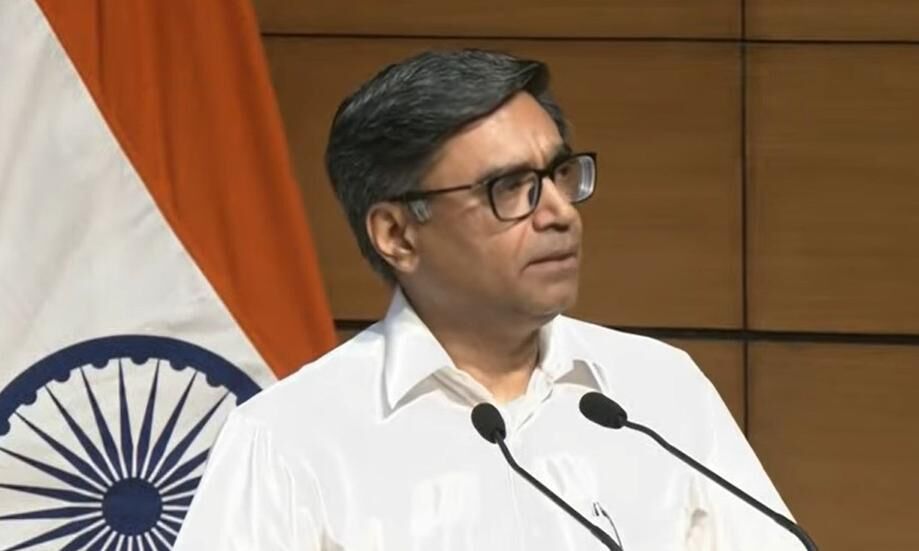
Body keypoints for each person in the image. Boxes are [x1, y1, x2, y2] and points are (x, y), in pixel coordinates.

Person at [175, 49, 801, 550]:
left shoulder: (658, 393)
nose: (559, 213)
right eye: (510, 187)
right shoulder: (289, 440)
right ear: (397, 234)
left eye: (558, 175)